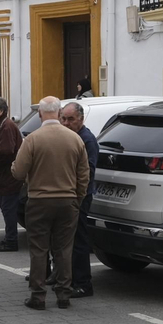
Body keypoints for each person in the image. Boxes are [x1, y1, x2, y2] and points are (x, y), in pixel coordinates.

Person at [12, 97, 89, 310]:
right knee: (64, 248)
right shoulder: (75, 139)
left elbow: (18, 172)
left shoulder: (33, 139)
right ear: (58, 113)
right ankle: (64, 294)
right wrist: (77, 198)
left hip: (39, 201)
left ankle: (38, 296)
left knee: (39, 249)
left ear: (39, 115)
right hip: (68, 200)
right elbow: (84, 174)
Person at [59, 101, 100, 296]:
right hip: (69, 195)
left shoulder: (87, 140)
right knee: (68, 239)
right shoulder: (70, 137)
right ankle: (67, 277)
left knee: (79, 239)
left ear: (81, 120)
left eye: (71, 119)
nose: (66, 123)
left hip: (80, 196)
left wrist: (77, 196)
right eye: (63, 119)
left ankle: (83, 283)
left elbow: (88, 172)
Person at [0, 97, 23, 252]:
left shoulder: (6, 126)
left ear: (1, 111)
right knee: (7, 208)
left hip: (8, 175)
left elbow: (6, 151)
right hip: (5, 175)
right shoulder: (1, 124)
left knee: (9, 209)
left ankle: (11, 241)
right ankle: (10, 238)